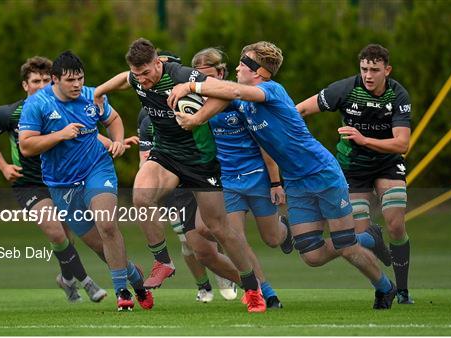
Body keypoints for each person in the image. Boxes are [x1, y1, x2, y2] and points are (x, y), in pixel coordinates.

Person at [169, 41, 397, 309]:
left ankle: (384, 287)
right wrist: (194, 117)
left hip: (322, 173)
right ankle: (368, 236)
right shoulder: (244, 103)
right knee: (312, 256)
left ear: (259, 72)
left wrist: (190, 85)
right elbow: (224, 96)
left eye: (245, 63)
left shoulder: (270, 90)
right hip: (297, 182)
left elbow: (230, 90)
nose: (239, 67)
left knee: (345, 245)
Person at [94, 38, 266, 312]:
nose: (142, 79)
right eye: (137, 74)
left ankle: (252, 287)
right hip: (167, 154)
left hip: (201, 160)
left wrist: (197, 119)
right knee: (141, 197)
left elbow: (225, 93)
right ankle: (163, 261)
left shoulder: (183, 75)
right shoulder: (138, 78)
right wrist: (99, 91)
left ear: (158, 63)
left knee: (219, 228)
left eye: (146, 73)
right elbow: (124, 80)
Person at [18, 51, 153, 312]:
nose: (77, 84)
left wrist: (116, 140)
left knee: (107, 224)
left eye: (80, 78)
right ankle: (135, 278)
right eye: (70, 80)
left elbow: (112, 119)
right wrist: (59, 135)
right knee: (101, 247)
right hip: (61, 185)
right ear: (55, 80)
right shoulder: (38, 105)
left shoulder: (92, 96)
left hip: (97, 169)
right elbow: (27, 146)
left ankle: (122, 293)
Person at [0, 56, 107, 304]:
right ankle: (88, 283)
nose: (41, 85)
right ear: (25, 85)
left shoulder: (62, 108)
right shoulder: (9, 113)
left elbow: (86, 134)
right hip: (29, 183)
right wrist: (4, 166)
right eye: (35, 80)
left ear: (54, 81)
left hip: (61, 180)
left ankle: (66, 279)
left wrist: (111, 142)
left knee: (66, 237)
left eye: (46, 80)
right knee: (56, 234)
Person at [296, 44, 413, 304]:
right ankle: (383, 280)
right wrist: (290, 138)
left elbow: (402, 144)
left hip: (388, 163)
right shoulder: (346, 89)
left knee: (395, 223)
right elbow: (300, 111)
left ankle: (403, 289)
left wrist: (363, 139)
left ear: (387, 70)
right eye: (364, 69)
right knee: (355, 242)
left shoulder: (398, 95)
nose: (368, 75)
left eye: (374, 69)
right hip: (352, 169)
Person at [191, 47, 294, 308]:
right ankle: (266, 293)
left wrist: (275, 182)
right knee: (234, 238)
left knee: (272, 239)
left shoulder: (242, 101)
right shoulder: (200, 103)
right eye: (199, 77)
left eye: (209, 76)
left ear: (221, 73)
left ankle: (286, 230)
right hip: (227, 180)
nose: (205, 82)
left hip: (257, 176)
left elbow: (265, 142)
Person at [137, 51, 238, 303]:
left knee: (215, 230)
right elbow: (147, 157)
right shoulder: (148, 114)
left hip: (205, 172)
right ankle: (204, 286)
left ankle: (251, 281)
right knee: (192, 244)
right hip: (174, 177)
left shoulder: (207, 99)